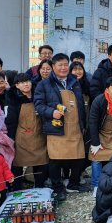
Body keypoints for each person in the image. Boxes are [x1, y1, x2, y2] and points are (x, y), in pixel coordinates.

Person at [34, 53, 88, 200]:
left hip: (75, 126)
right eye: (60, 65)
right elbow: (38, 105)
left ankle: (73, 184)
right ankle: (57, 187)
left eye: (65, 64)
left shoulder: (74, 82)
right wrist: (52, 112)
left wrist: (83, 123)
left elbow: (80, 105)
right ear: (53, 67)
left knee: (78, 157)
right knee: (55, 159)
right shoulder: (44, 84)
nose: (63, 68)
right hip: (56, 126)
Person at [6, 73, 49, 189]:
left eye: (27, 81)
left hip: (39, 134)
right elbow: (11, 121)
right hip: (22, 137)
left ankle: (39, 186)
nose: (26, 84)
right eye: (22, 82)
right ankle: (16, 188)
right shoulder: (14, 99)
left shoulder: (39, 95)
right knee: (18, 164)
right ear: (17, 85)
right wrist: (11, 139)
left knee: (41, 162)